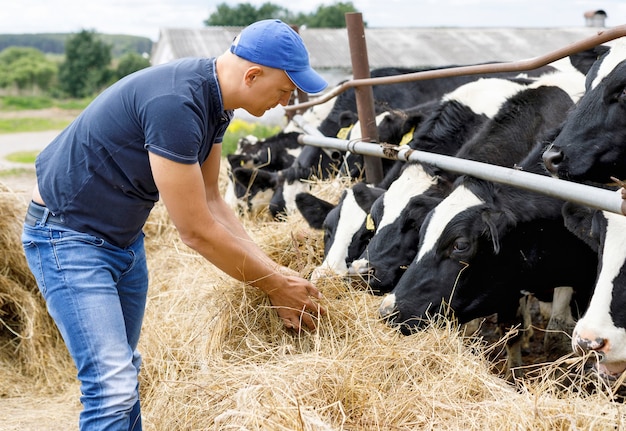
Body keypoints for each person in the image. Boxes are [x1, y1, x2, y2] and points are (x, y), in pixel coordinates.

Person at [21, 19, 327, 431]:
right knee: (111, 386)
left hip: (123, 241)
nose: (287, 100)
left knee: (123, 374)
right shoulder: (176, 105)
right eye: (284, 89)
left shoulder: (216, 104)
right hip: (68, 237)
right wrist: (274, 285)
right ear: (252, 75)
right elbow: (195, 230)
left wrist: (275, 271)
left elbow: (213, 200)